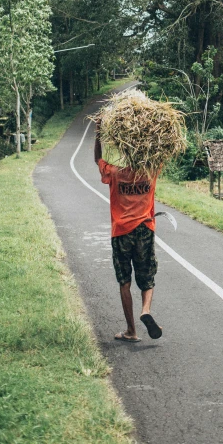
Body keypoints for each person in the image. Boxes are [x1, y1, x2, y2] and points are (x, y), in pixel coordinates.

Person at [94, 119, 162, 342]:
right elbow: (162, 152)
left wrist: (98, 133)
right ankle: (146, 310)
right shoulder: (150, 171)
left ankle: (131, 330)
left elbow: (98, 159)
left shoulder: (114, 172)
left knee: (124, 281)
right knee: (147, 276)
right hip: (144, 229)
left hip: (121, 232)